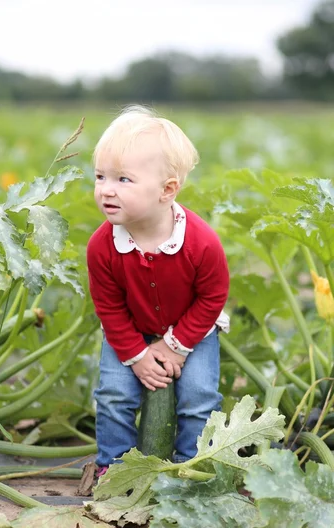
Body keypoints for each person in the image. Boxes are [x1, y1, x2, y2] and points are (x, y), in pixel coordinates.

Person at [86, 105, 230, 476]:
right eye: (100, 176)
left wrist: (175, 346)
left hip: (193, 330)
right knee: (114, 396)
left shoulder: (201, 242)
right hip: (129, 330)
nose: (106, 190)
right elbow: (109, 308)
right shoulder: (102, 246)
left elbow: (212, 298)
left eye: (123, 180)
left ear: (167, 190)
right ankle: (114, 468)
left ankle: (191, 466)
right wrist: (136, 355)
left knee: (198, 398)